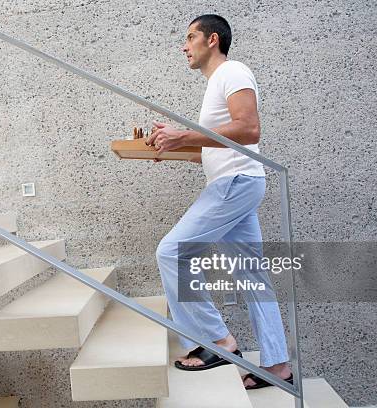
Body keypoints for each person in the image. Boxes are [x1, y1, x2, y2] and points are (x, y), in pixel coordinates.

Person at [146, 14, 293, 389]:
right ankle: (278, 367)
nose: (184, 46)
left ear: (212, 40)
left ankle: (217, 342)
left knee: (172, 252)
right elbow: (217, 147)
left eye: (190, 37)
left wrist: (185, 135)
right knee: (252, 276)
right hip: (236, 181)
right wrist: (177, 146)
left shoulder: (233, 72)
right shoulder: (216, 84)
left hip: (234, 184)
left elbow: (248, 128)